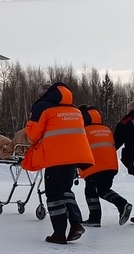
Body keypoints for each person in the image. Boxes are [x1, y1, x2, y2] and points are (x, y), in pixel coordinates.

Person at [21, 82, 94, 244]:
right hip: (75, 156)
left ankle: (59, 233)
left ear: (43, 95)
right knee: (66, 190)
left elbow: (32, 135)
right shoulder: (75, 110)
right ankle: (75, 223)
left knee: (54, 195)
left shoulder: (42, 107)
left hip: (55, 156)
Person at [78, 104, 133, 227]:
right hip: (111, 166)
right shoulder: (106, 129)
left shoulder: (83, 130)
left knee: (90, 191)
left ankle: (94, 219)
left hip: (94, 166)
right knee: (103, 190)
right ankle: (122, 204)